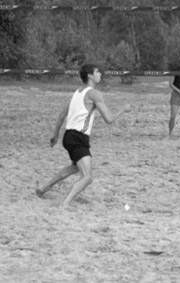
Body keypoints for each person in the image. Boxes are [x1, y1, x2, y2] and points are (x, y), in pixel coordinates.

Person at [36, 64, 131, 208]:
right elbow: (109, 119)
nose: (101, 74)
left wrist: (55, 135)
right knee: (87, 177)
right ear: (90, 75)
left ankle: (43, 189)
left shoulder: (77, 92)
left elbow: (62, 115)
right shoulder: (94, 94)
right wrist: (124, 109)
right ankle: (65, 204)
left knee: (74, 168)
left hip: (68, 136)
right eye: (98, 72)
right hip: (78, 137)